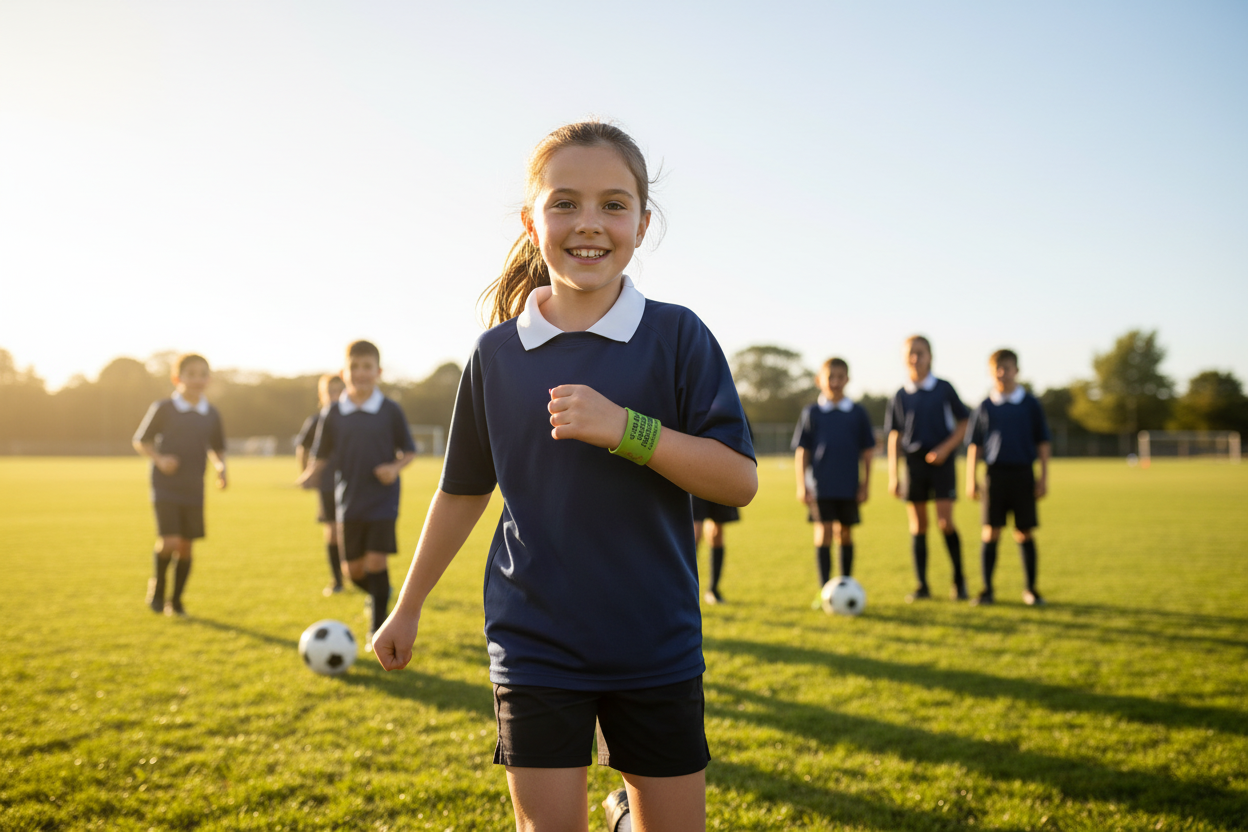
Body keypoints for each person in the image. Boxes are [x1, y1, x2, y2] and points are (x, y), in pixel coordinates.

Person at [371, 121, 757, 832]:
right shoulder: (495, 354)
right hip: (534, 642)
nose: (589, 224)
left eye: (614, 205)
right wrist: (409, 604)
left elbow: (736, 480)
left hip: (654, 639)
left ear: (643, 223)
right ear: (530, 221)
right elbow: (462, 492)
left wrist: (627, 430)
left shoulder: (678, 336)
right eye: (565, 203)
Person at [297, 341, 417, 647]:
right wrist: (310, 474)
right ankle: (381, 593)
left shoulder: (390, 410)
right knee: (353, 572)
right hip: (348, 500)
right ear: (344, 372)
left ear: (378, 371)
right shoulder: (334, 413)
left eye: (367, 367)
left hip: (383, 500)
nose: (361, 373)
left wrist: (394, 467)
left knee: (376, 563)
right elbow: (321, 453)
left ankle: (376, 630)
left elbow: (409, 451)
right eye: (355, 367)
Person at [132, 353, 227, 617]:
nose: (197, 379)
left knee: (186, 546)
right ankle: (158, 589)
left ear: (208, 379)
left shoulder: (211, 413)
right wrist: (160, 460)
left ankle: (176, 600)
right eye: (191, 374)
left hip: (194, 487)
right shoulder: (164, 408)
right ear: (177, 378)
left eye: (202, 374)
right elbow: (141, 441)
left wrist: (221, 469)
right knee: (170, 542)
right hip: (165, 487)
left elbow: (217, 449)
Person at [884, 336, 970, 602]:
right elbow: (894, 435)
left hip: (941, 464)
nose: (915, 358)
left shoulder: (943, 388)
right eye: (910, 353)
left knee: (945, 523)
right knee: (918, 525)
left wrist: (945, 449)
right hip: (913, 464)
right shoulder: (900, 394)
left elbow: (965, 422)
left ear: (930, 356)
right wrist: (893, 474)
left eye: (920, 353)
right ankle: (922, 586)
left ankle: (959, 581)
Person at [965, 349, 1052, 606]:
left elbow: (1043, 442)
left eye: (1007, 367)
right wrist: (971, 479)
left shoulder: (1030, 404)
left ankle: (1031, 590)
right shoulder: (985, 405)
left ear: (1017, 370)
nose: (1003, 373)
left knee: (1024, 532)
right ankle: (987, 590)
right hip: (995, 475)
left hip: (1023, 473)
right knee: (991, 531)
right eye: (997, 368)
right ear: (991, 372)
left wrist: (1043, 477)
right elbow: (975, 446)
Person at [792, 358, 876, 604]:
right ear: (820, 380)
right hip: (821, 484)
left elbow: (868, 452)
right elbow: (802, 451)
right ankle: (824, 591)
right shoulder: (812, 412)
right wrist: (801, 484)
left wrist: (865, 484)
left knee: (845, 533)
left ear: (847, 380)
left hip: (849, 485)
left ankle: (846, 585)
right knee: (824, 533)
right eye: (831, 377)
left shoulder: (858, 412)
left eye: (841, 377)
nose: (836, 382)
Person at [296, 373, 347, 596]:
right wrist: (307, 473)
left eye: (340, 390)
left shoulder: (352, 417)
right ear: (322, 394)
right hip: (327, 483)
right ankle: (337, 580)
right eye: (331, 391)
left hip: (352, 482)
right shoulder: (317, 420)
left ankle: (358, 574)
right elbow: (303, 448)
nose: (335, 395)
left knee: (352, 530)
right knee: (333, 531)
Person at [692, 497, 738, 605]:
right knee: (695, 534)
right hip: (696, 484)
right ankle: (685, 588)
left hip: (719, 484)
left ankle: (713, 590)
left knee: (716, 534)